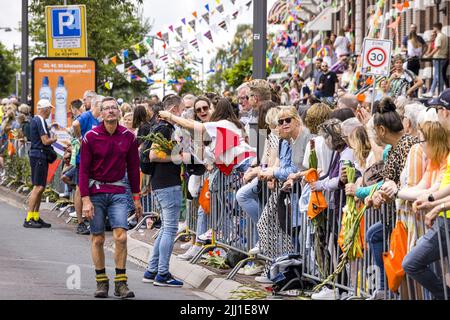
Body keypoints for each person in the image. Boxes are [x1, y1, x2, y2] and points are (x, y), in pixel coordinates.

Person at [80, 96, 142, 299]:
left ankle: (121, 283)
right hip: (96, 192)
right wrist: (86, 200)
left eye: (114, 108)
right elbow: (83, 170)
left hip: (118, 192)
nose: (110, 111)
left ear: (119, 112)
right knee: (97, 238)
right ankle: (101, 282)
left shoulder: (129, 136)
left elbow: (133, 168)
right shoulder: (90, 137)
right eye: (106, 108)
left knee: (121, 237)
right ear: (100, 113)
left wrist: (136, 196)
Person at [364, 97, 419, 300]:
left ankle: (389, 289)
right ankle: (385, 288)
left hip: (408, 218)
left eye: (373, 132)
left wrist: (383, 194)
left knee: (404, 258)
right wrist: (377, 195)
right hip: (397, 215)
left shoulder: (407, 146)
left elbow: (404, 183)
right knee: (375, 235)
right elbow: (389, 184)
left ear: (381, 130)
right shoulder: (398, 147)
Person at [142, 95, 191, 287]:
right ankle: (162, 273)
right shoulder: (165, 127)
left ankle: (152, 270)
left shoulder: (160, 127)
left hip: (162, 182)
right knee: (170, 229)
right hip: (167, 183)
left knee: (165, 228)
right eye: (181, 110)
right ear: (173, 110)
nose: (182, 114)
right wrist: (178, 157)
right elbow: (154, 155)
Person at [71, 95, 102, 235]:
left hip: (96, 160)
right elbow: (75, 125)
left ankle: (94, 219)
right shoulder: (87, 116)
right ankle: (80, 222)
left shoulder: (99, 120)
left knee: (94, 188)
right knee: (80, 189)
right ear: (97, 105)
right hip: (82, 159)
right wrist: (80, 138)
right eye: (104, 106)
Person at [24, 99, 57, 228]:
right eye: (49, 109)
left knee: (40, 187)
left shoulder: (36, 120)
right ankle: (29, 218)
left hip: (37, 155)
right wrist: (55, 139)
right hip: (39, 155)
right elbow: (45, 141)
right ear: (45, 109)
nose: (50, 111)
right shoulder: (41, 120)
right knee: (38, 187)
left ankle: (35, 216)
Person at [423, 23, 448, 97]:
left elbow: (437, 47)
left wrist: (429, 56)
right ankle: (438, 91)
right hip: (443, 58)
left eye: (433, 28)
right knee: (439, 75)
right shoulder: (445, 36)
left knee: (438, 76)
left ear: (436, 28)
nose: (433, 30)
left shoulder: (439, 37)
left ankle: (434, 92)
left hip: (438, 58)